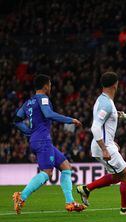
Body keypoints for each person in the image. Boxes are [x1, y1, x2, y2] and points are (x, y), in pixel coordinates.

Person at [12, 74, 86, 214]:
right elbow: (48, 114)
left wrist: (29, 132)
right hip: (43, 140)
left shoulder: (28, 103)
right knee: (47, 173)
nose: (51, 87)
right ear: (46, 86)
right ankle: (21, 197)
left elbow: (16, 120)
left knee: (66, 167)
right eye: (50, 84)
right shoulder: (43, 98)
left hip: (37, 139)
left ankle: (70, 202)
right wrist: (70, 120)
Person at [76, 72, 126, 215]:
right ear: (115, 85)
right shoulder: (106, 104)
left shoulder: (103, 100)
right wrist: (105, 148)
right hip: (103, 147)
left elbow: (104, 127)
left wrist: (111, 142)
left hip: (107, 144)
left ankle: (86, 189)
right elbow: (95, 127)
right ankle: (125, 209)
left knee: (118, 176)